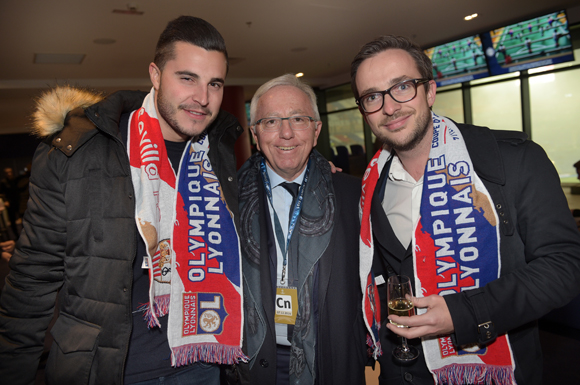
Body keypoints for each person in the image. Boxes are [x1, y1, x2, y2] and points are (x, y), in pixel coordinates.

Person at [0, 16, 247, 385]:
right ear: (156, 74)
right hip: (106, 370)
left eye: (215, 83)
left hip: (204, 363)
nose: (203, 98)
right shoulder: (80, 150)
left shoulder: (222, 151)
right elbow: (33, 277)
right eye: (187, 78)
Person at [351, 35, 580, 385]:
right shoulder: (370, 187)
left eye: (402, 87)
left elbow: (565, 267)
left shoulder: (514, 160)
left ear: (430, 91)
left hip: (495, 369)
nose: (389, 106)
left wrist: (464, 313)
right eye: (372, 97)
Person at [236, 74, 370, 385]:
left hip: (332, 364)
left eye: (298, 118)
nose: (285, 133)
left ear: (316, 129)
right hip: (250, 365)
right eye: (270, 121)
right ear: (255, 133)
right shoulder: (227, 200)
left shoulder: (353, 196)